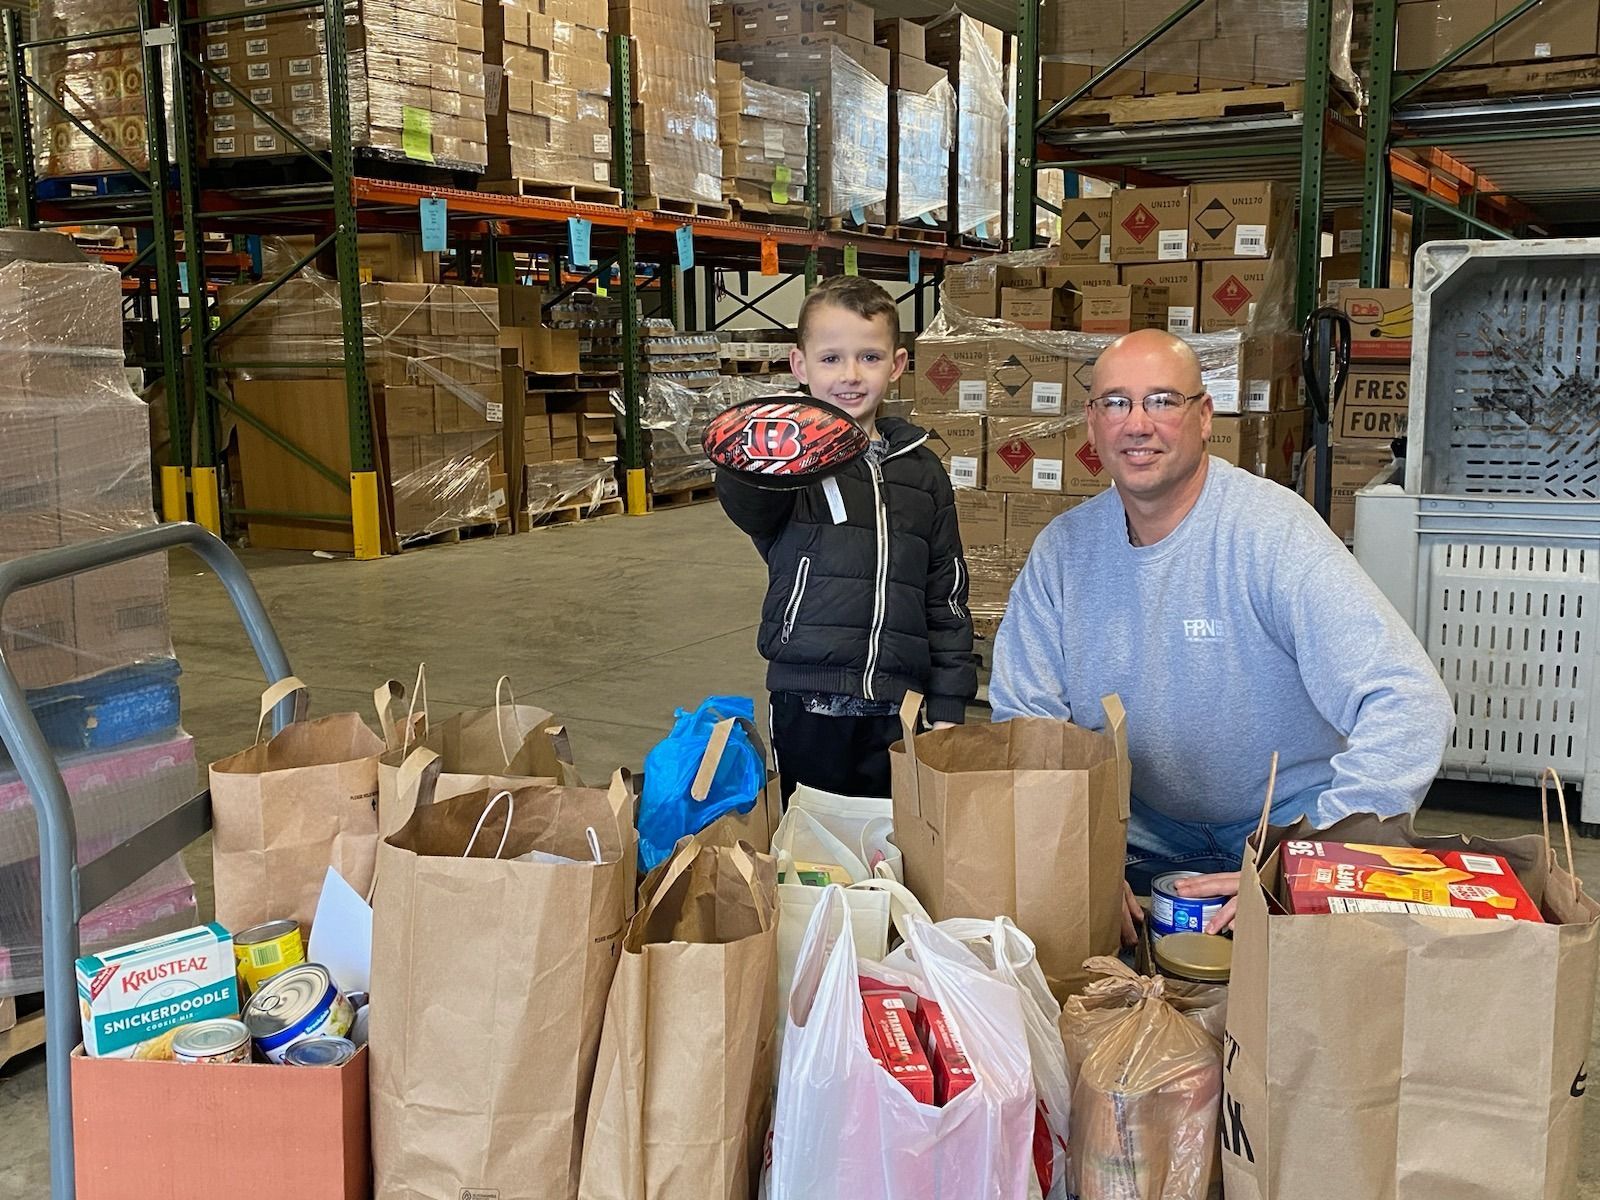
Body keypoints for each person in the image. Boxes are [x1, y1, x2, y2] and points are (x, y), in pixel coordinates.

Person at [989, 328, 1453, 938]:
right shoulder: (1064, 552)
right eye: (1117, 403)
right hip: (1136, 838)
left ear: (1204, 416)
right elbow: (1027, 721)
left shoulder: (1273, 535)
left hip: (1288, 826)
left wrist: (1312, 857)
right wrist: (1078, 854)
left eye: (1161, 400)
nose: (1137, 424)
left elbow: (1410, 702)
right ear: (1092, 421)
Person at [716, 276, 978, 799]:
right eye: (831, 358)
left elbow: (945, 596)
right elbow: (748, 499)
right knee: (811, 851)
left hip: (900, 707)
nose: (851, 375)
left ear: (898, 365)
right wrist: (756, 448)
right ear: (800, 365)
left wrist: (948, 706)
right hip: (807, 701)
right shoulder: (788, 465)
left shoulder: (922, 470)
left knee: (894, 849)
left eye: (870, 357)